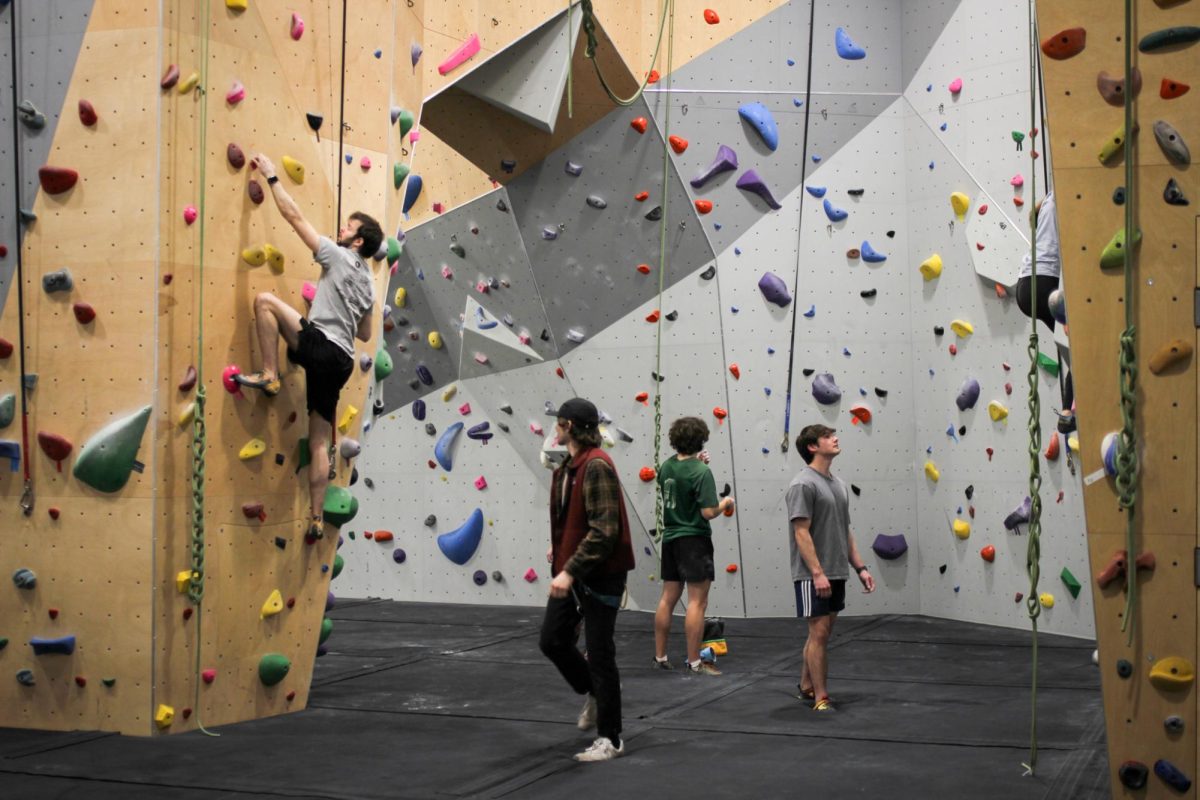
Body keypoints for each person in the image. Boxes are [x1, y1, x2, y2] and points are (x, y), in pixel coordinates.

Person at [235, 153, 383, 540]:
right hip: (342, 361)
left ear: (358, 240)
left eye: (348, 226)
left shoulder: (336, 255)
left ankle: (270, 375)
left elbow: (294, 217)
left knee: (265, 302)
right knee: (320, 439)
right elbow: (365, 332)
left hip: (321, 345)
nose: (341, 229)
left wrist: (271, 178)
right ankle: (316, 518)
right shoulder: (369, 283)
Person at [539, 397, 635, 762]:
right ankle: (596, 690)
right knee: (552, 640)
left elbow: (605, 531)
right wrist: (560, 551)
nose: (554, 429)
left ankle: (611, 738)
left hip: (600, 575)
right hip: (576, 570)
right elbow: (577, 522)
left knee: (600, 652)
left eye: (557, 424)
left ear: (567, 426)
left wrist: (569, 569)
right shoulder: (568, 467)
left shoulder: (595, 466)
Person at [787, 424, 875, 712]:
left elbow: (844, 529)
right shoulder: (803, 484)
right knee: (819, 633)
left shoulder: (838, 484)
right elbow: (801, 532)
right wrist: (816, 573)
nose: (835, 439)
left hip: (836, 570)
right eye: (827, 436)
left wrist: (860, 568)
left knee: (820, 634)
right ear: (813, 447)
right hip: (813, 574)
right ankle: (821, 696)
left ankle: (806, 685)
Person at [653, 417, 734, 675]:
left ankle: (660, 655)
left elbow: (677, 483)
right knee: (697, 603)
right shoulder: (702, 472)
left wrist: (696, 465)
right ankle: (694, 661)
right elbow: (708, 512)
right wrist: (726, 503)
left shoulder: (666, 467)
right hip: (694, 541)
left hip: (671, 540)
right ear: (701, 441)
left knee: (668, 598)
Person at [1015, 189, 1075, 433]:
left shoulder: (1052, 198)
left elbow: (1034, 215)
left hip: (1025, 286)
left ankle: (1068, 411)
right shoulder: (1065, 192)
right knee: (1076, 351)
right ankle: (1067, 412)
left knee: (1070, 347)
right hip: (1045, 285)